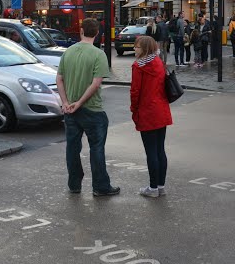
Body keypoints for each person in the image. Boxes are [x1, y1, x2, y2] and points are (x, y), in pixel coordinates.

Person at [56, 18, 119, 197]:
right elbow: (95, 84)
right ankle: (100, 186)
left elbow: (59, 79)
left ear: (81, 31)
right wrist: (80, 102)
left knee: (72, 148)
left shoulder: (68, 52)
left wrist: (66, 102)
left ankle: (74, 184)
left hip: (70, 111)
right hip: (92, 110)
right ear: (97, 33)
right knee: (97, 148)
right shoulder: (98, 54)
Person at [130, 36, 172, 198]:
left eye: (138, 47)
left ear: (145, 48)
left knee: (151, 152)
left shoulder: (138, 66)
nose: (135, 49)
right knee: (160, 149)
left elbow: (135, 92)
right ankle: (160, 186)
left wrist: (134, 110)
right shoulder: (158, 62)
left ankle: (152, 188)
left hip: (147, 111)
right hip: (161, 110)